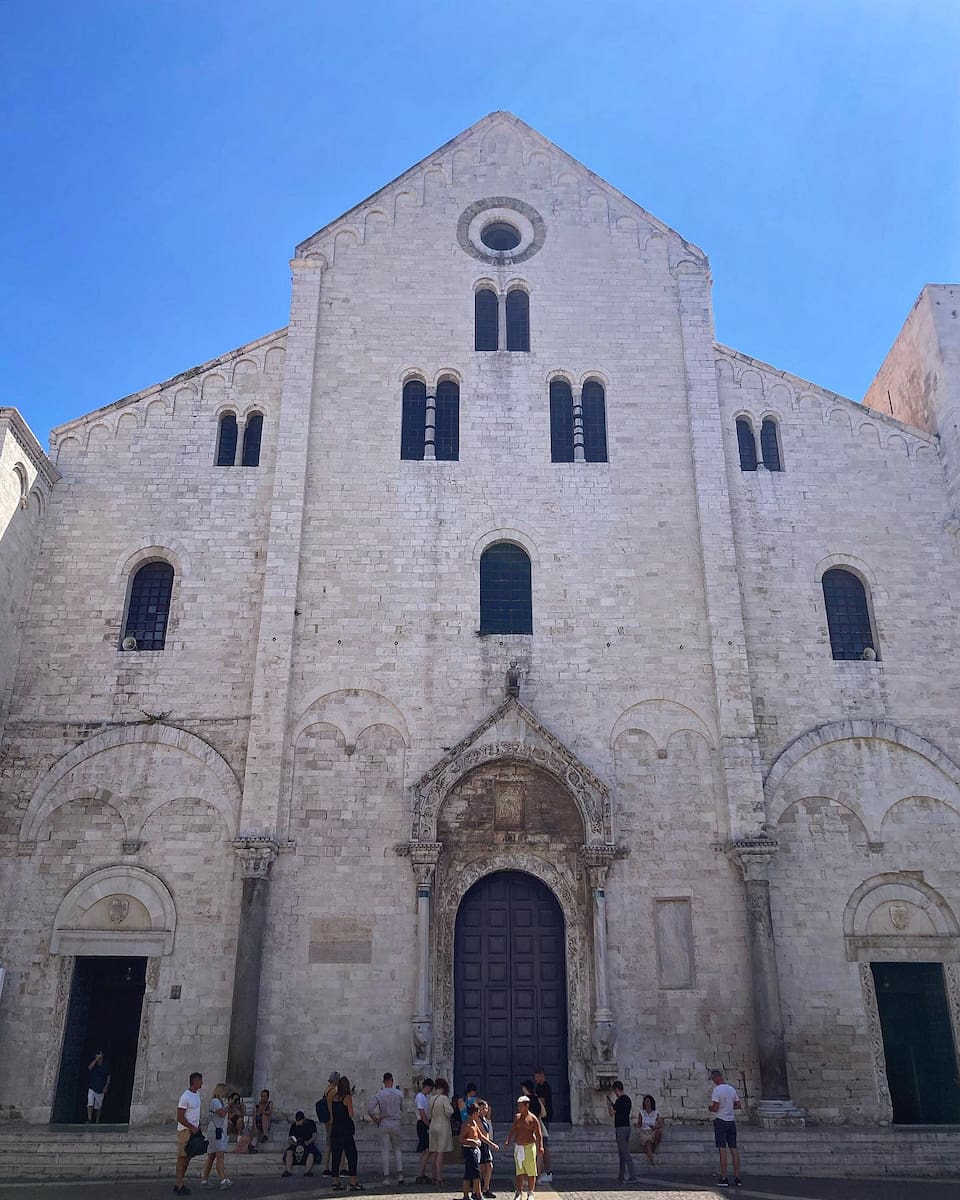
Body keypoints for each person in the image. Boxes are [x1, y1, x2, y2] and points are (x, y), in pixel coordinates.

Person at [369, 1071, 405, 1185]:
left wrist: (376, 1120)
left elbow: (369, 1109)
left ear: (384, 1082)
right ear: (392, 1081)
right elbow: (403, 1108)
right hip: (396, 1122)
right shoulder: (399, 1093)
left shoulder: (379, 1094)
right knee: (397, 1149)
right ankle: (400, 1175)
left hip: (384, 1122)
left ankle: (387, 1177)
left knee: (385, 1150)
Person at [708, 1069, 742, 1188]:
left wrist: (710, 1108)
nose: (713, 1081)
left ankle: (724, 1177)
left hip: (721, 1121)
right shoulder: (731, 1089)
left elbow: (716, 1107)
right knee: (734, 1149)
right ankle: (737, 1178)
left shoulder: (717, 1090)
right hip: (731, 1121)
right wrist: (728, 1107)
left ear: (717, 1077)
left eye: (713, 1079)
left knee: (722, 1149)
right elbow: (738, 1105)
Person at [504, 1095, 542, 1200]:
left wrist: (540, 1147)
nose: (519, 1108)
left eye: (521, 1106)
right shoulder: (517, 1117)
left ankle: (530, 1192)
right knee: (519, 1171)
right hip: (519, 1147)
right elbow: (513, 1130)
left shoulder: (533, 1119)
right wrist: (508, 1140)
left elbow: (539, 1134)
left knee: (531, 1171)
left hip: (529, 1146)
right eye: (518, 1106)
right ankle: (519, 1191)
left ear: (527, 1106)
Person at [459, 1100, 498, 1200]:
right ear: (475, 1113)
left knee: (468, 1174)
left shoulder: (474, 1123)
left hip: (475, 1150)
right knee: (476, 1174)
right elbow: (461, 1139)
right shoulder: (466, 1124)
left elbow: (481, 1136)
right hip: (469, 1151)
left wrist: (491, 1144)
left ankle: (465, 1196)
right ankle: (479, 1195)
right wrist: (472, 1141)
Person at [330, 1074, 362, 1190]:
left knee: (336, 1156)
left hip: (335, 1129)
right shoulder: (347, 1098)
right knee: (352, 1155)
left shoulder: (334, 1097)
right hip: (346, 1130)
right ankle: (353, 1182)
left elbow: (334, 1113)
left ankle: (335, 1182)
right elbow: (351, 1114)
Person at [175, 1070, 203, 1196]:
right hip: (185, 1131)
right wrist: (191, 1126)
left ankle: (179, 1183)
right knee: (182, 1157)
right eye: (200, 1080)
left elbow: (195, 1113)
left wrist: (198, 1126)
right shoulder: (185, 1096)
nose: (202, 1083)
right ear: (195, 1081)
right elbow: (180, 1116)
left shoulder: (197, 1095)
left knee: (188, 1157)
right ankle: (179, 1184)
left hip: (194, 1130)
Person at [200, 1083, 233, 1190]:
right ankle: (223, 1179)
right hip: (216, 1133)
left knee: (212, 1156)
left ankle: (204, 1179)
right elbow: (222, 1114)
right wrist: (229, 1105)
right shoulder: (215, 1102)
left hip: (218, 1131)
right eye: (225, 1091)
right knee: (220, 1156)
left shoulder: (220, 1102)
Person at [427, 1077, 454, 1186]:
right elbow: (449, 1111)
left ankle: (433, 1176)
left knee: (433, 1152)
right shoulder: (444, 1098)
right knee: (440, 1153)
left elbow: (429, 1113)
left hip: (433, 1125)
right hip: (442, 1126)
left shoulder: (431, 1098)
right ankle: (439, 1177)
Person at [607, 1081, 635, 1183]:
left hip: (620, 1129)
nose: (615, 1093)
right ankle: (621, 1175)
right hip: (627, 1127)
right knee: (622, 1153)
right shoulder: (628, 1100)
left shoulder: (619, 1101)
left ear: (617, 1089)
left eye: (615, 1091)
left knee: (625, 1153)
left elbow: (611, 1113)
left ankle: (633, 1176)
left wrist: (609, 1105)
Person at [520, 1081, 546, 1181]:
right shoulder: (536, 1098)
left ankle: (528, 1177)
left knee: (528, 1152)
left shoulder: (524, 1100)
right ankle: (537, 1175)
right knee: (539, 1152)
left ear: (525, 1088)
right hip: (538, 1125)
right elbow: (543, 1113)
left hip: (528, 1127)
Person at [282, 1109, 320, 1178]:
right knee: (289, 1151)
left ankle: (308, 1170)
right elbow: (290, 1138)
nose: (298, 1122)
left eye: (299, 1120)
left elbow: (314, 1135)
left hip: (307, 1142)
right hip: (297, 1143)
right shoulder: (294, 1125)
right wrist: (293, 1143)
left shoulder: (310, 1123)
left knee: (311, 1152)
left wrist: (308, 1142)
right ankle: (288, 1170)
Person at [533, 1069, 552, 1183]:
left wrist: (535, 1099)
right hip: (540, 1118)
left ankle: (547, 1171)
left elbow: (543, 1101)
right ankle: (542, 1171)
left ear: (542, 1076)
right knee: (541, 1144)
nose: (536, 1079)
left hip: (544, 1118)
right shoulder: (539, 1087)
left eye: (537, 1077)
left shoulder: (546, 1087)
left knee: (544, 1144)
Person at [414, 1077, 435, 1183]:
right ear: (427, 1087)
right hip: (423, 1124)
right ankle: (420, 1173)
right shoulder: (420, 1097)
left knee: (425, 1150)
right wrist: (429, 1125)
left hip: (425, 1123)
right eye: (430, 1089)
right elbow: (422, 1114)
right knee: (427, 1149)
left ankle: (422, 1173)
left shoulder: (425, 1097)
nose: (431, 1091)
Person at [476, 1098, 497, 1199]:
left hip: (486, 1145)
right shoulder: (477, 1119)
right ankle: (479, 1190)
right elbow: (482, 1135)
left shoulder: (485, 1119)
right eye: (483, 1108)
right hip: (481, 1145)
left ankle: (486, 1188)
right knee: (482, 1168)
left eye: (486, 1108)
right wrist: (491, 1143)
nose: (485, 1110)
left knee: (489, 1166)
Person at [635, 1094, 664, 1166]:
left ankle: (651, 1150)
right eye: (646, 1101)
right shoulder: (642, 1112)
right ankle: (652, 1161)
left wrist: (655, 1127)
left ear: (651, 1102)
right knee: (648, 1142)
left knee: (659, 1131)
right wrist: (637, 1125)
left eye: (648, 1101)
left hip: (652, 1131)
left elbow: (661, 1124)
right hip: (644, 1132)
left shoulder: (655, 1113)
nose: (647, 1103)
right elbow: (639, 1123)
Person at [321, 1071, 341, 1175]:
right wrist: (333, 1118)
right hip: (331, 1119)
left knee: (328, 1143)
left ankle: (326, 1167)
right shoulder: (333, 1091)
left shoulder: (327, 1089)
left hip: (326, 1119)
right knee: (330, 1143)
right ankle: (327, 1168)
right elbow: (331, 1106)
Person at [86, 1050, 110, 1123]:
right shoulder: (94, 1064)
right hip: (92, 1087)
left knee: (99, 1106)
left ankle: (97, 1120)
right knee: (90, 1102)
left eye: (100, 1056)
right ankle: (89, 1118)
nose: (99, 1057)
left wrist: (106, 1086)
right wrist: (95, 1060)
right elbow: (89, 1068)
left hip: (100, 1088)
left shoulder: (105, 1066)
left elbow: (108, 1076)